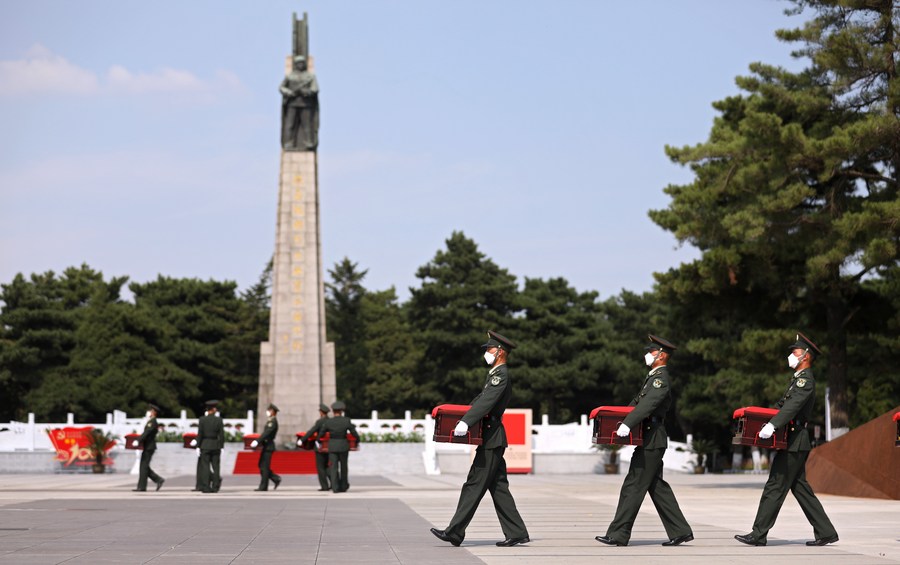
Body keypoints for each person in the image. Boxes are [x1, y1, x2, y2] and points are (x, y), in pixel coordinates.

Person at [735, 332, 839, 547]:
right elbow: (782, 407)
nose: (790, 355)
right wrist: (765, 419)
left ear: (805, 356)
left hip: (794, 441)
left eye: (795, 352)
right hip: (791, 440)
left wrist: (773, 425)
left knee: (775, 486)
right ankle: (826, 531)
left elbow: (792, 407)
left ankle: (758, 534)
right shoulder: (797, 380)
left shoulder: (805, 380)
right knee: (800, 488)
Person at [431, 330, 530, 548]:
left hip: (492, 438)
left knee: (474, 484)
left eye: (489, 349)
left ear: (500, 351)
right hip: (491, 438)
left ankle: (454, 532)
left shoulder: (501, 374)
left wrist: (466, 421)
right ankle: (517, 532)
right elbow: (480, 400)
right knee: (498, 487)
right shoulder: (495, 373)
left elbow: (487, 401)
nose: (486, 352)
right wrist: (462, 415)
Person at [595, 335, 693, 547]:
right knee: (657, 487)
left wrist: (628, 423)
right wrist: (618, 419)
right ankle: (681, 531)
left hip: (652, 439)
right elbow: (636, 404)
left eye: (651, 352)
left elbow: (648, 404)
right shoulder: (652, 377)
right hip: (649, 438)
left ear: (661, 355)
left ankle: (618, 534)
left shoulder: (660, 379)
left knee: (633, 485)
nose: (647, 355)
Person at [279, 55, 319, 151]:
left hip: (305, 104)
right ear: (296, 65)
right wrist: (289, 92)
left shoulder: (310, 77)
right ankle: (288, 143)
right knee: (290, 125)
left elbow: (315, 89)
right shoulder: (290, 76)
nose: (301, 65)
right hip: (292, 104)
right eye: (299, 63)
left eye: (302, 63)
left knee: (307, 125)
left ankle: (309, 142)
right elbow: (281, 87)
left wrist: (306, 92)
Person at [320, 400, 359, 493]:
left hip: (332, 446)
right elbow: (354, 433)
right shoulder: (346, 421)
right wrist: (357, 441)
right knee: (343, 467)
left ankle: (335, 487)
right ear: (341, 411)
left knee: (333, 467)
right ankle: (343, 486)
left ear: (333, 411)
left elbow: (321, 434)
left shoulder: (329, 422)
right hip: (343, 446)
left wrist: (319, 440)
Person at [132, 403, 165, 492]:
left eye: (150, 410)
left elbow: (147, 432)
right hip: (147, 446)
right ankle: (157, 480)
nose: (148, 412)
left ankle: (143, 486)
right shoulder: (150, 421)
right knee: (144, 466)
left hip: (149, 447)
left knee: (144, 466)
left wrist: (138, 440)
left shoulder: (152, 422)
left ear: (154, 412)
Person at [197, 400, 225, 493]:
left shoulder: (202, 420)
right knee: (216, 467)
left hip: (205, 444)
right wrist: (222, 446)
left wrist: (198, 446)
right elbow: (221, 435)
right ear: (213, 409)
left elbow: (200, 434)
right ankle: (215, 486)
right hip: (215, 445)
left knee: (205, 467)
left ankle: (206, 486)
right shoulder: (219, 420)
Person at [253, 403, 282, 491]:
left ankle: (263, 486)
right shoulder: (270, 421)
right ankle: (275, 478)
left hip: (269, 446)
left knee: (264, 467)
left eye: (269, 410)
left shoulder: (273, 422)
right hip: (266, 445)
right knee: (261, 465)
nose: (267, 412)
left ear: (273, 412)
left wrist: (257, 441)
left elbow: (267, 433)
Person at [304, 403, 332, 491]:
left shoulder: (320, 422)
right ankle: (333, 483)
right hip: (329, 446)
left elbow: (312, 431)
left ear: (321, 412)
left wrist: (302, 439)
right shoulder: (330, 421)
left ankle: (324, 486)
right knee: (328, 466)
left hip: (320, 446)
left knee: (321, 467)